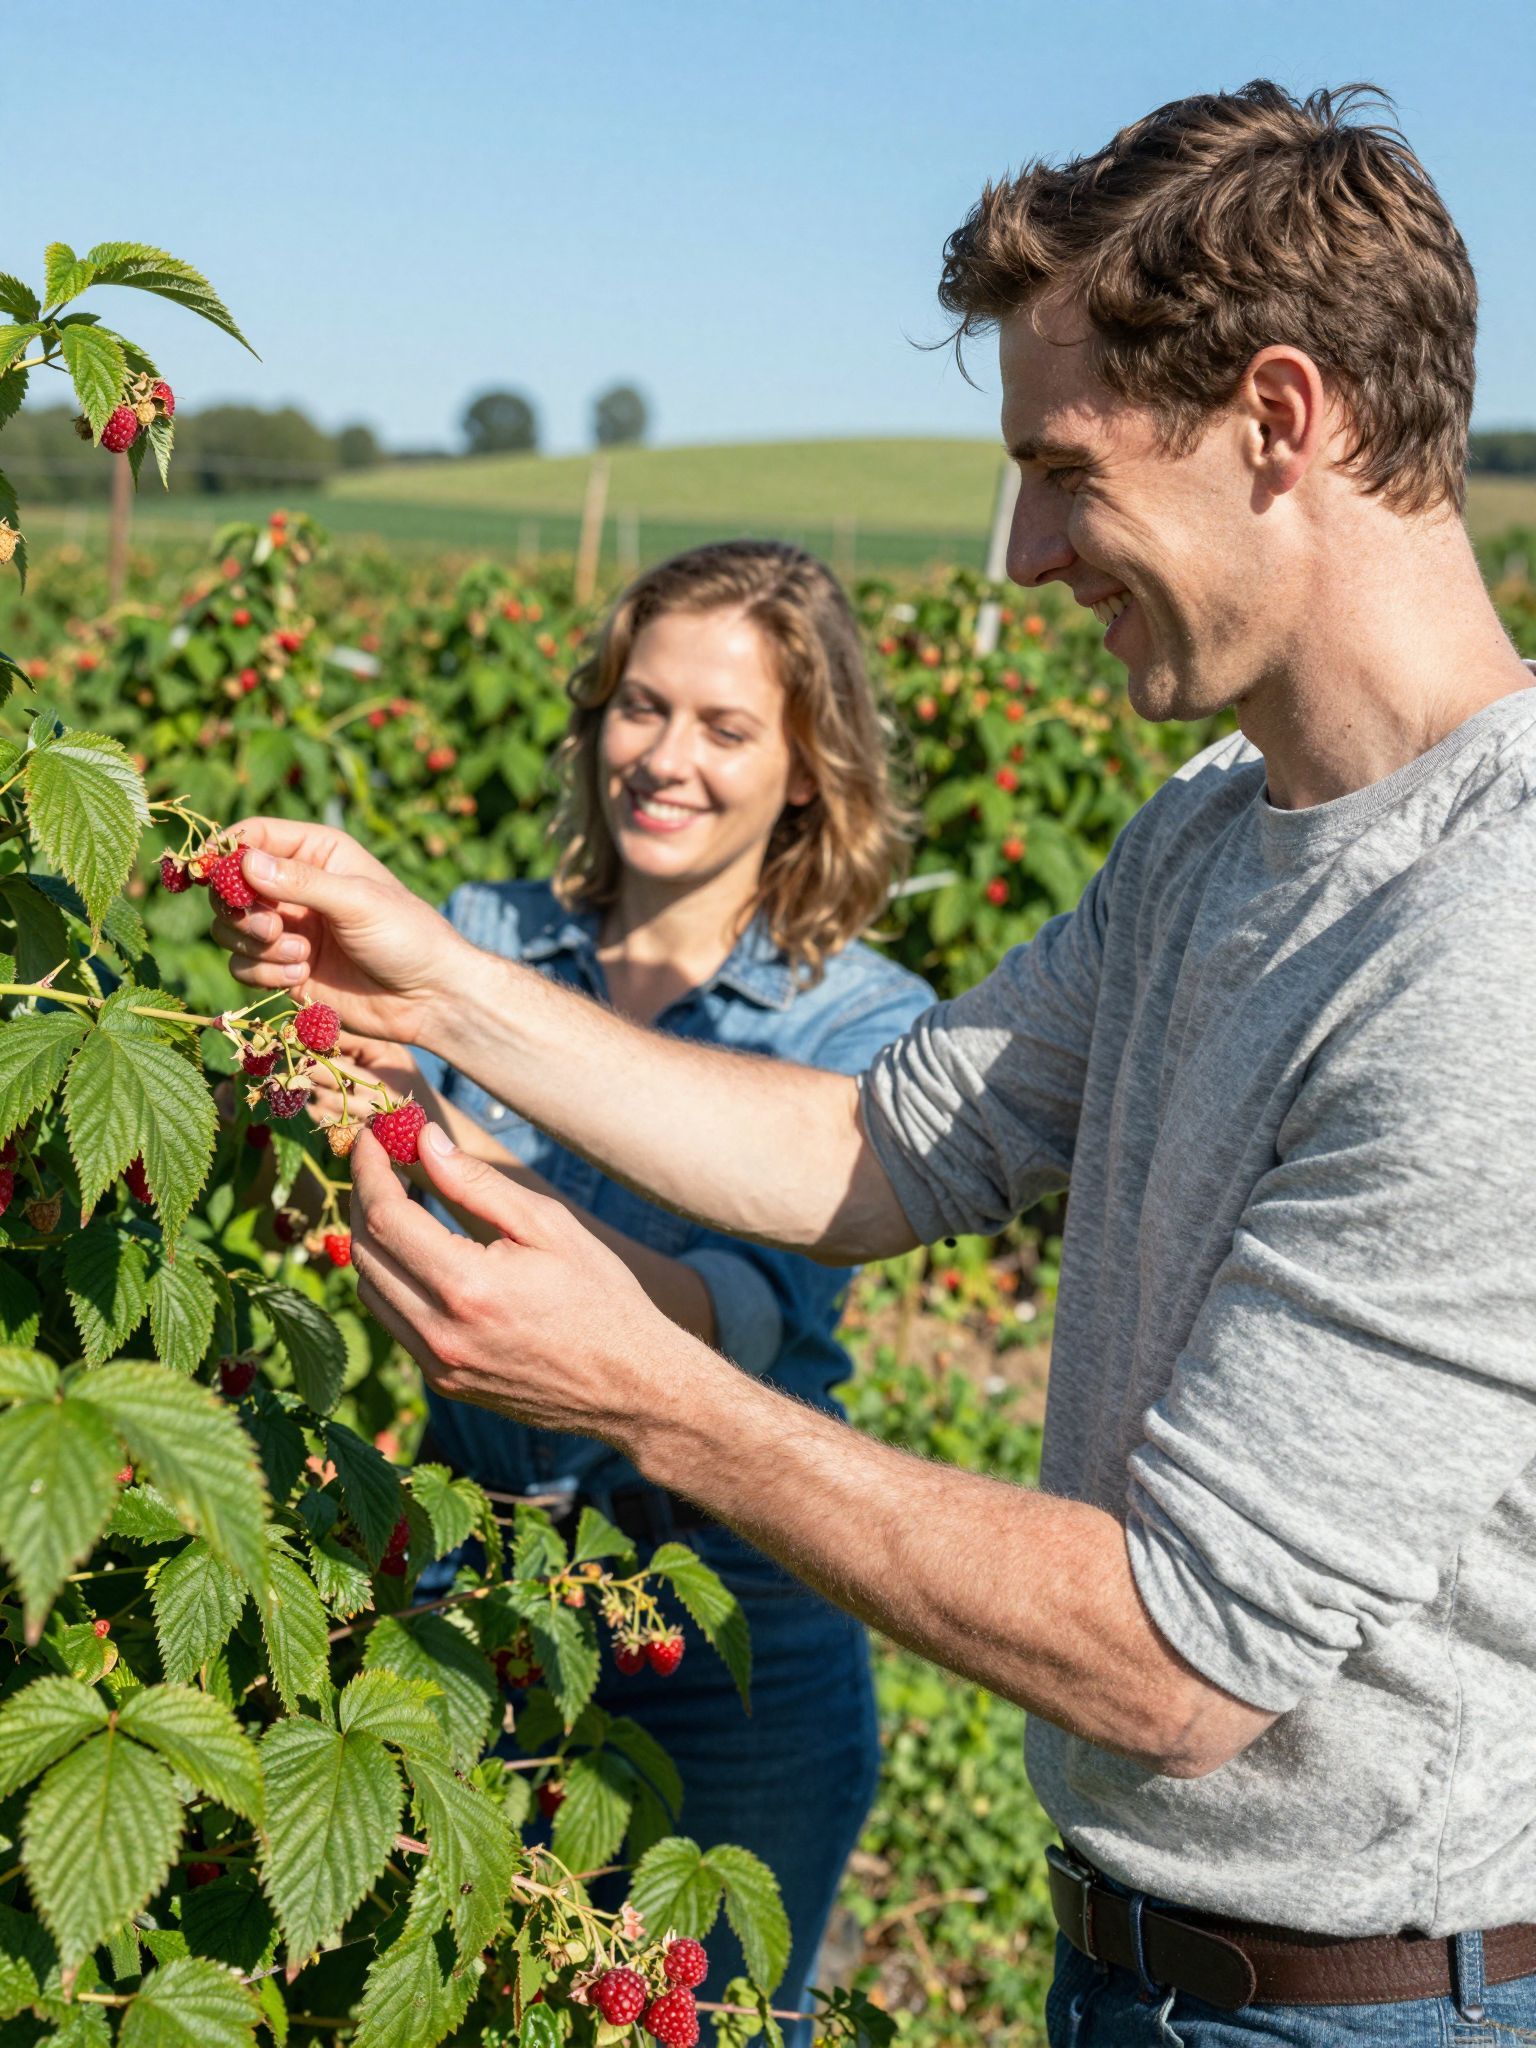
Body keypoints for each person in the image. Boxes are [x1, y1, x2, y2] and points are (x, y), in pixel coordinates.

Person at [215, 82, 1536, 2048]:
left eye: (1063, 468)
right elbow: (881, 1140)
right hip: (1143, 1962)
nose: (1017, 556)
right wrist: (433, 987)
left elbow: (1185, 1656)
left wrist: (650, 1394)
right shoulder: (1206, 832)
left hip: (1373, 2007)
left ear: (1281, 418)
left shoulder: (1482, 940)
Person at [286, 540, 935, 2039]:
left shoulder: (860, 1020)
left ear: (808, 769)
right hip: (466, 1567)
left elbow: (735, 1311)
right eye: (641, 708)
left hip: (724, 1611)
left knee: (698, 2012)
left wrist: (440, 1145)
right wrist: (325, 1055)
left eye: (724, 727)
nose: (665, 756)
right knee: (442, 1992)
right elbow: (360, 1189)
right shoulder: (486, 935)